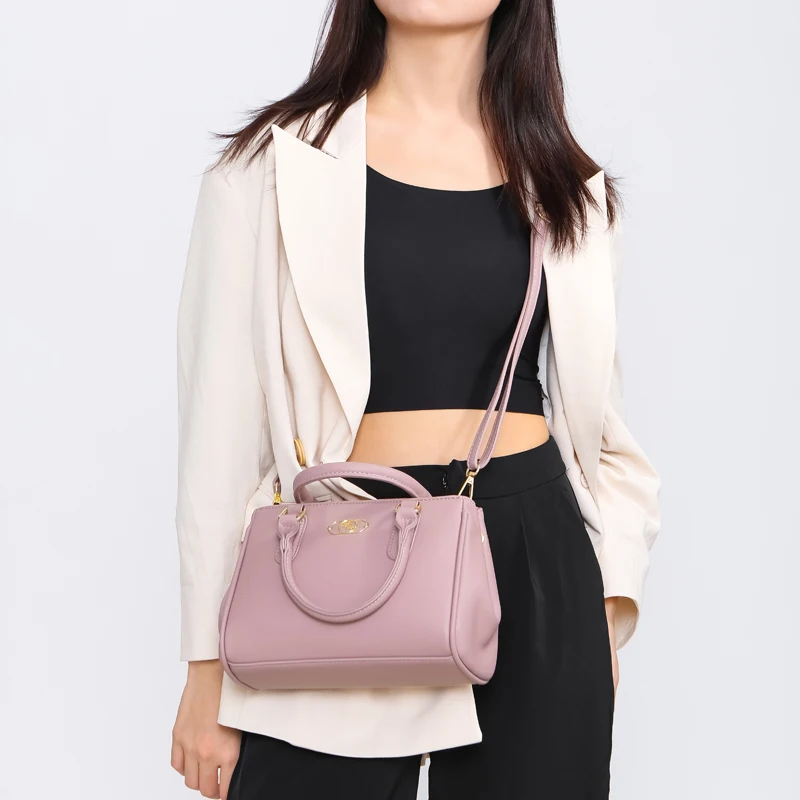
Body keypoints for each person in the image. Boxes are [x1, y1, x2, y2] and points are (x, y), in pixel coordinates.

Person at [170, 1, 661, 798]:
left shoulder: (568, 186)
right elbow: (218, 434)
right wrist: (204, 669)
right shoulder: (267, 171)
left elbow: (602, 432)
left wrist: (602, 607)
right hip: (339, 550)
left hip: (534, 560)